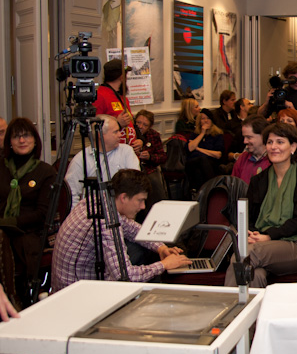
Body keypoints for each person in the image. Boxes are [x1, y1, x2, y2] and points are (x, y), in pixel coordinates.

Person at [51, 169, 191, 291]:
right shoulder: (106, 222)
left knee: (143, 250)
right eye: (140, 200)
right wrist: (164, 265)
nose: (143, 206)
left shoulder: (99, 200)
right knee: (147, 264)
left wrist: (161, 248)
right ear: (123, 197)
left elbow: (131, 228)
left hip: (69, 283)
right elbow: (125, 276)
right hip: (79, 292)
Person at [224, 122, 297, 288]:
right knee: (255, 274)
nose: (274, 147)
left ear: (293, 147)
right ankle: (252, 306)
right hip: (261, 243)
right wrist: (253, 234)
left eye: (280, 142)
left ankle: (232, 304)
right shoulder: (258, 180)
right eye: (270, 142)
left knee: (245, 254)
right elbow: (249, 217)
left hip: (295, 245)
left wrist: (269, 236)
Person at [0, 118, 55, 300]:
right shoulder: (1, 167)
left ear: (35, 140)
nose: (22, 140)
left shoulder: (45, 172)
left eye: (26, 136)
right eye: (16, 136)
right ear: (10, 141)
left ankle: (13, 298)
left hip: (29, 232)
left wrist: (10, 222)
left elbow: (42, 214)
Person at [65, 115, 140, 207]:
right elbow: (71, 195)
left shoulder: (126, 151)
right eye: (115, 132)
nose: (120, 135)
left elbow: (136, 185)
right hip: (93, 210)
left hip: (122, 210)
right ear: (100, 135)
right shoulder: (81, 159)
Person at [93, 59, 138, 146]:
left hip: (128, 149)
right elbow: (94, 126)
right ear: (121, 77)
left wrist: (140, 140)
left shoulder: (122, 97)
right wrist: (118, 123)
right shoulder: (100, 96)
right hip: (111, 149)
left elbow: (131, 122)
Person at [185, 109, 225, 194]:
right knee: (201, 160)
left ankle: (198, 193)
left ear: (212, 121)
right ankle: (212, 189)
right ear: (199, 121)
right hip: (192, 162)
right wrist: (202, 133)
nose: (206, 121)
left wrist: (198, 149)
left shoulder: (217, 135)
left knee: (200, 168)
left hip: (210, 163)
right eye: (203, 118)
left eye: (208, 118)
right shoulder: (194, 135)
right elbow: (190, 148)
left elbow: (218, 154)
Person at [232, 116, 272, 184]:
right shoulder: (242, 159)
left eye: (249, 137)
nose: (245, 141)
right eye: (244, 137)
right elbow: (234, 186)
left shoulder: (273, 161)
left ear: (263, 135)